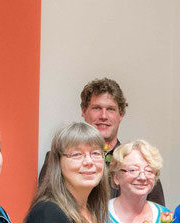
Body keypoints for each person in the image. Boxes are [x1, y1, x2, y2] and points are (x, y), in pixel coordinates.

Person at [37, 77, 165, 205]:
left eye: (110, 109)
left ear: (121, 114)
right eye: (96, 108)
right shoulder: (58, 158)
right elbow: (46, 208)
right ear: (83, 111)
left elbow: (156, 215)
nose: (103, 116)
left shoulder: (142, 162)